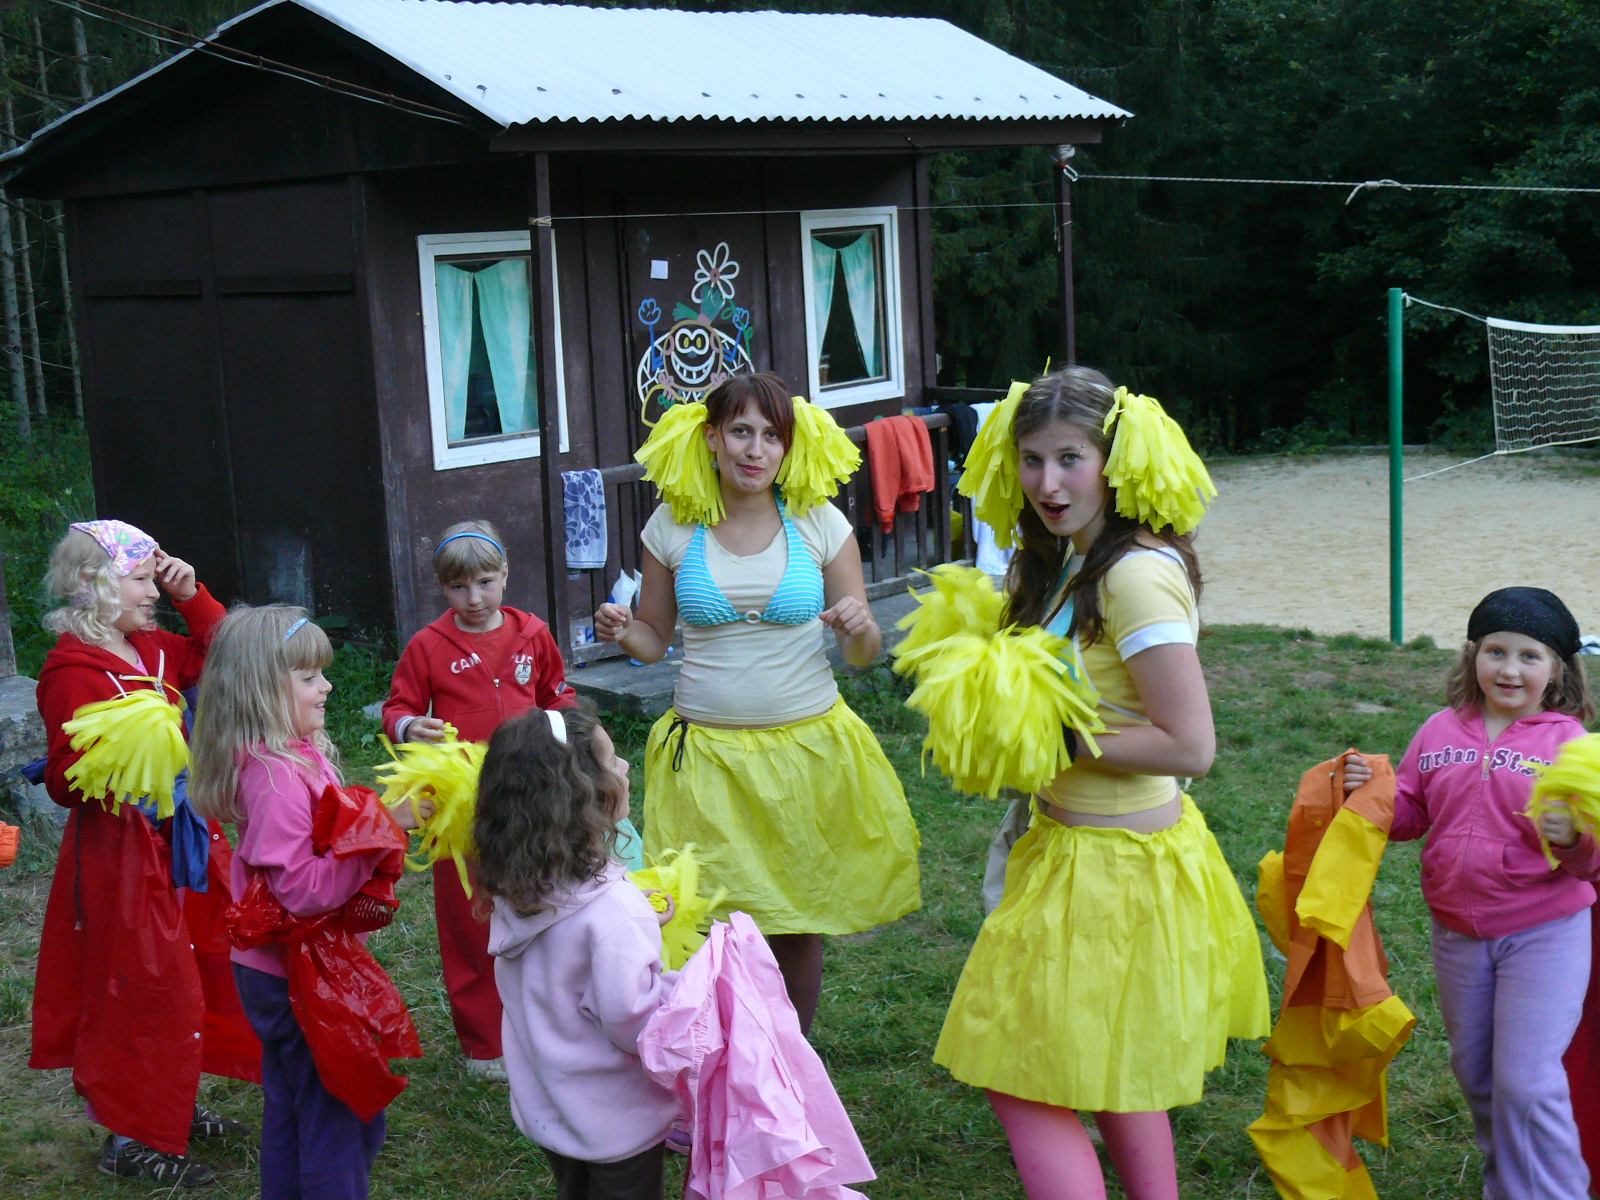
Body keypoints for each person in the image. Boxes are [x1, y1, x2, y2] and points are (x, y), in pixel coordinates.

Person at [930, 367, 1269, 1200]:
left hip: (1114, 870)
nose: (1048, 483)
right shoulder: (1071, 559)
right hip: (1074, 848)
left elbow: (1191, 744)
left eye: (1070, 459)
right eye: (1032, 460)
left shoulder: (1133, 575)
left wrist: (1053, 734)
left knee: (1018, 1074)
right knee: (1117, 1066)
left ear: (1115, 462)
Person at [593, 373, 921, 1034]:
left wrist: (861, 628)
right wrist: (624, 631)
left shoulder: (820, 521)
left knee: (795, 918)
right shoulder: (671, 525)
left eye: (772, 436)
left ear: (788, 447)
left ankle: (790, 1058)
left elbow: (862, 653)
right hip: (706, 756)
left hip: (805, 752)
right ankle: (719, 1052)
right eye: (741, 431)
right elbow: (653, 641)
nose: (756, 449)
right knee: (705, 916)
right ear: (712, 437)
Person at [1344, 587, 1598, 1199]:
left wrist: (1573, 838)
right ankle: (1509, 1187)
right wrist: (1369, 793)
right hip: (1458, 934)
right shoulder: (1439, 730)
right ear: (1472, 655)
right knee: (1478, 1073)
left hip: (1544, 933)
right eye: (1495, 652)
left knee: (1528, 1082)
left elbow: (1592, 864)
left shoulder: (1570, 746)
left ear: (1558, 669)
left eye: (1529, 656)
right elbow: (1411, 813)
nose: (1509, 669)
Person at [30, 520, 259, 1188]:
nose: (152, 592)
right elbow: (62, 778)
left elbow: (224, 654)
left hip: (183, 836)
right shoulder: (72, 670)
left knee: (195, 969)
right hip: (123, 850)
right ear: (90, 585)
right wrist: (117, 757)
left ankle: (173, 1107)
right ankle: (131, 1137)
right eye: (139, 580)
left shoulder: (154, 648)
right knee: (143, 984)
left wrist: (192, 596)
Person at [189, 604, 432, 1200]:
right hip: (294, 974)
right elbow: (302, 891)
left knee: (295, 1106)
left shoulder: (291, 755)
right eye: (308, 677)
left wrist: (373, 820)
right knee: (336, 1117)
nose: (326, 686)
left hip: (283, 968)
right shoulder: (274, 779)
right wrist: (383, 826)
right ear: (262, 691)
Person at [382, 519, 593, 1081]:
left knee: (544, 898)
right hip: (462, 803)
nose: (473, 599)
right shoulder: (427, 646)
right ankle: (484, 1043)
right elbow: (398, 707)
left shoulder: (533, 634)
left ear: (505, 575)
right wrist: (409, 727)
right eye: (458, 587)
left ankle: (551, 1025)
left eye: (484, 583)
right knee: (469, 917)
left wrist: (577, 736)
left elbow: (556, 693)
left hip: (532, 791)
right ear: (442, 588)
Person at [477, 705, 680, 1200]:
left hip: (552, 1108)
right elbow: (636, 1026)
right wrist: (687, 990)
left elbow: (566, 954)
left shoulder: (517, 887)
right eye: (612, 762)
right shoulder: (615, 914)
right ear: (584, 795)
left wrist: (630, 926)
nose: (625, 767)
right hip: (620, 1123)